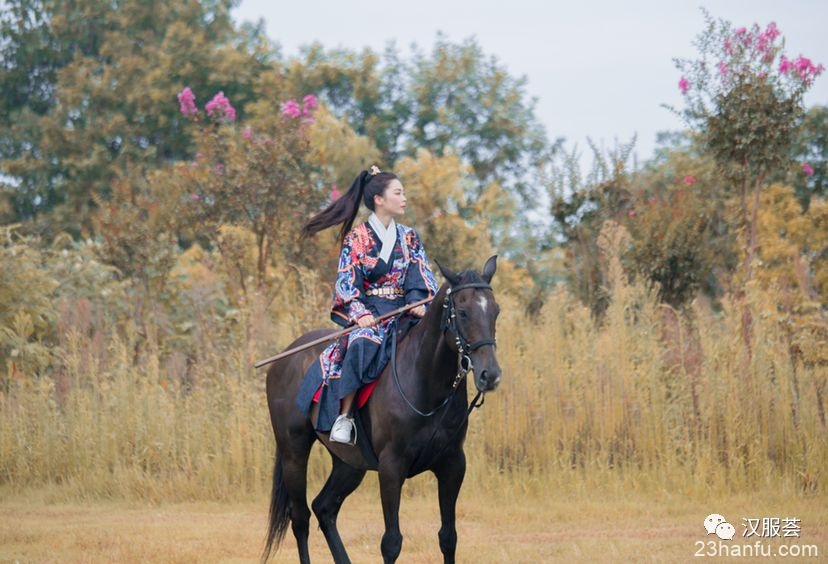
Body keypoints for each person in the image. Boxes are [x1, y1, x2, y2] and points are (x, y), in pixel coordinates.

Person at [295, 166, 439, 445]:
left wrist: (418, 303)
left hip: (404, 310)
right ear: (379, 199)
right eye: (398, 193)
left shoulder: (410, 237)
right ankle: (345, 418)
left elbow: (420, 274)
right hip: (370, 314)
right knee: (361, 343)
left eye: (404, 193)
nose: (404, 198)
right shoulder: (356, 239)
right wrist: (359, 315)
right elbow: (347, 282)